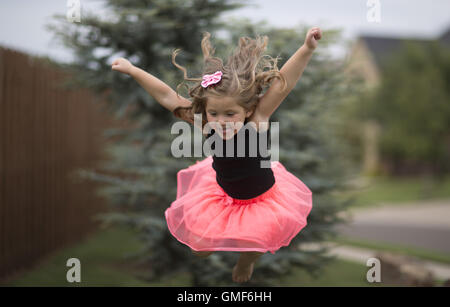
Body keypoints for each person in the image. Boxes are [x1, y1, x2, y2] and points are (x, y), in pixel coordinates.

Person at [111, 27, 322, 283]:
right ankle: (213, 247)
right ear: (206, 111)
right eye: (214, 114)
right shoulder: (206, 123)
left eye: (230, 115)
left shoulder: (257, 120)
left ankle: (246, 263)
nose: (221, 122)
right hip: (222, 193)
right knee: (199, 248)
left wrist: (307, 49)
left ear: (246, 110)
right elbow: (167, 96)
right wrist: (133, 70)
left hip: (262, 199)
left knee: (257, 242)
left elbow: (282, 85)